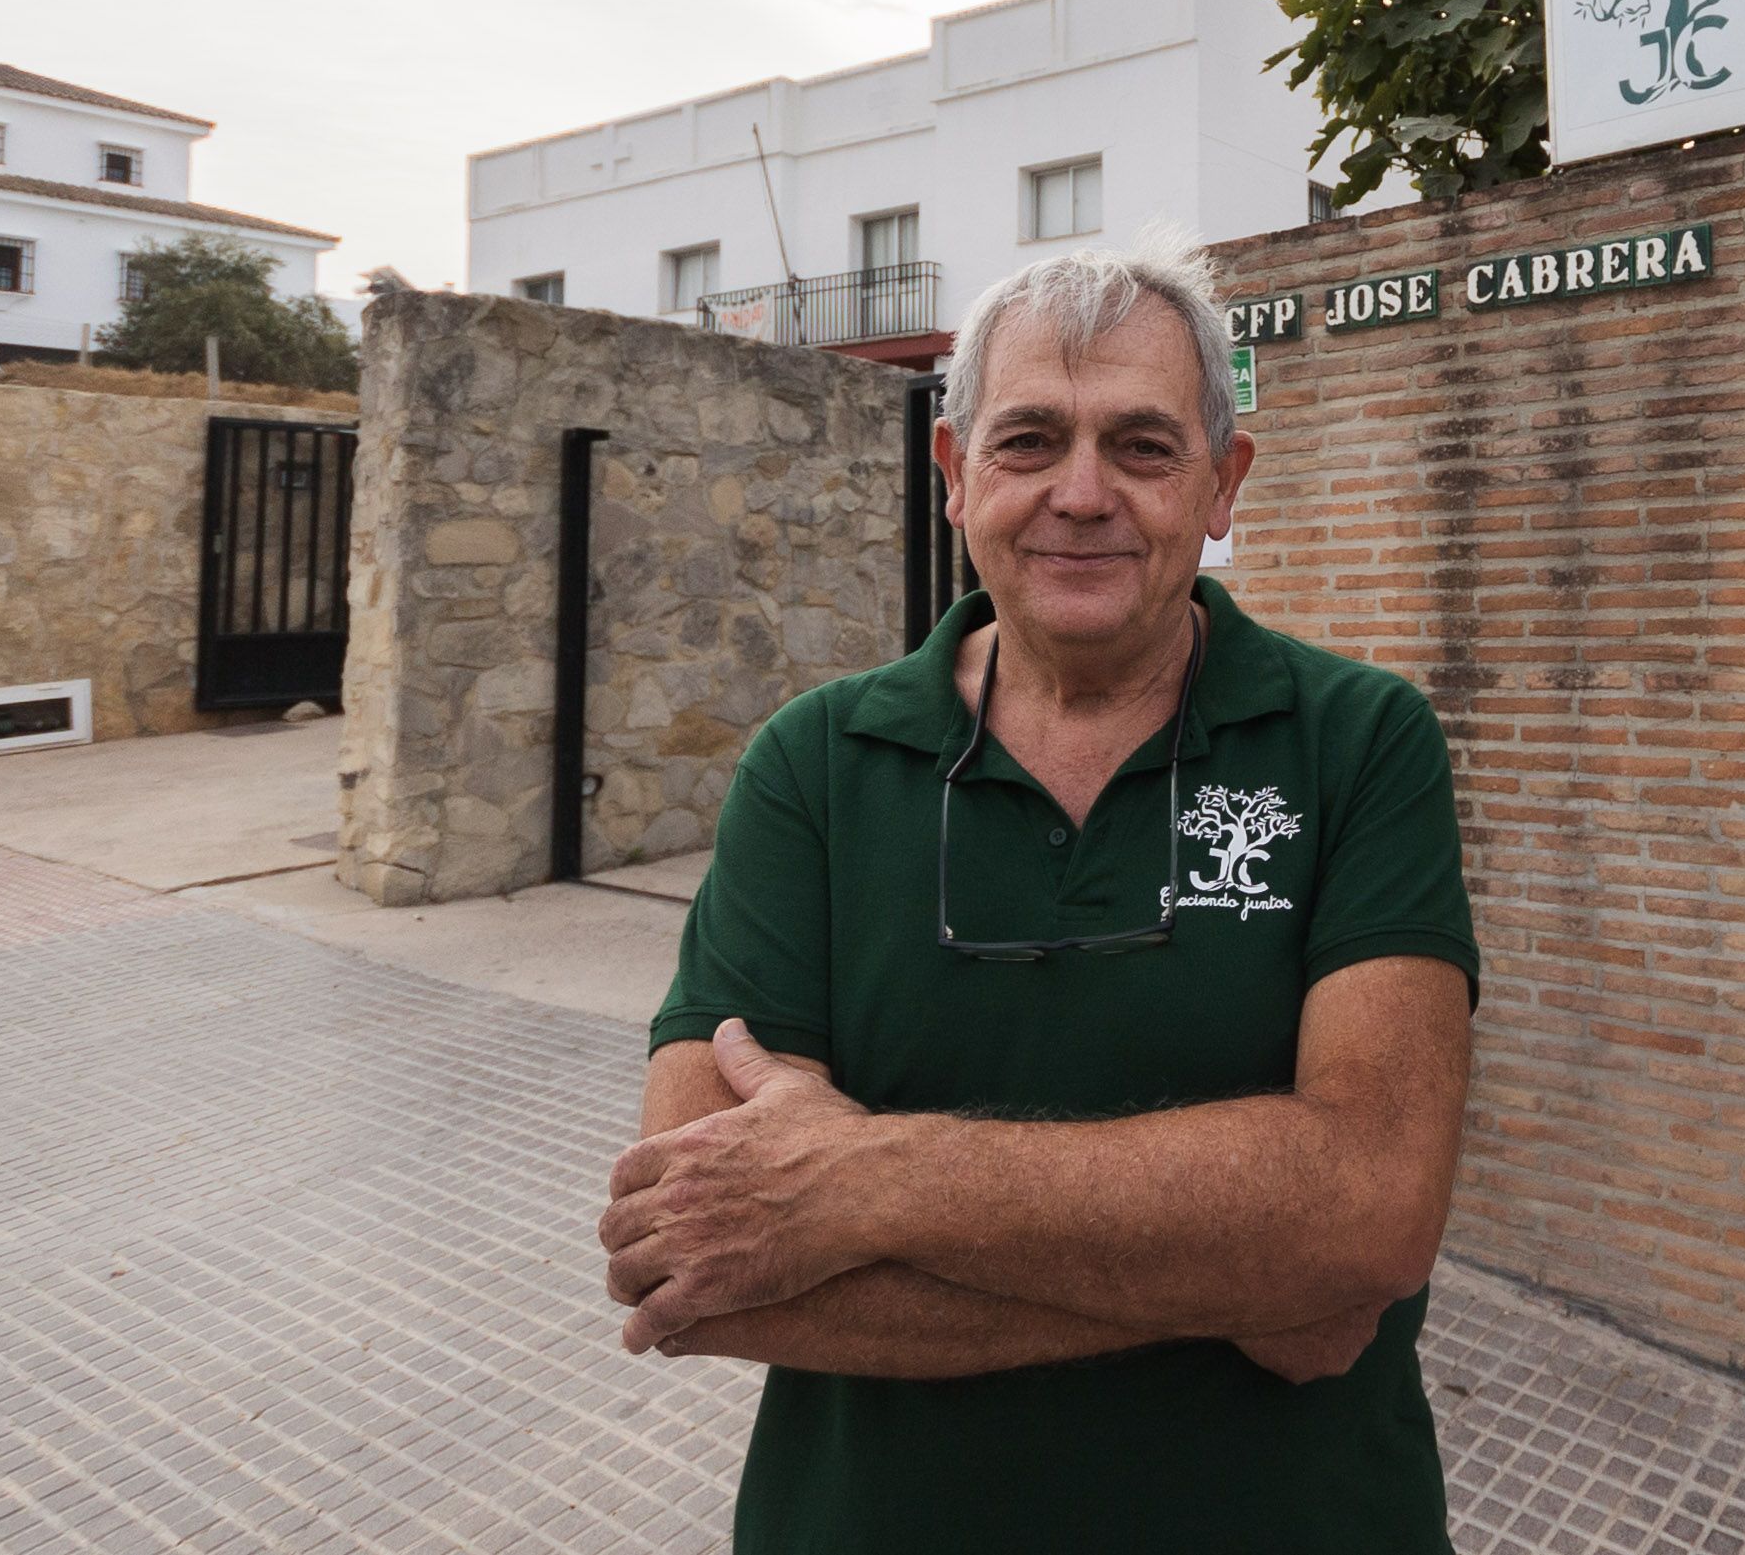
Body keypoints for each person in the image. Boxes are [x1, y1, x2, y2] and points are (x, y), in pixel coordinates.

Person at [597, 232, 1478, 1552]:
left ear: (1222, 483)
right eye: (1027, 441)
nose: (1081, 492)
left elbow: (1367, 1208)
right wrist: (1240, 1270)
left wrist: (861, 1179)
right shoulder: (815, 765)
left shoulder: (1357, 739)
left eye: (1140, 443)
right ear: (954, 475)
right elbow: (693, 1268)